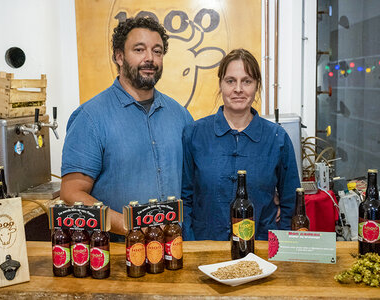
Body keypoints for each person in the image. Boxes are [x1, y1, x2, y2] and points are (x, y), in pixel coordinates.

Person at [61, 17, 193, 237]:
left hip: (173, 249)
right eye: (139, 50)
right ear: (119, 56)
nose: (150, 58)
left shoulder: (180, 115)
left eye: (157, 51)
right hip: (116, 255)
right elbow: (72, 192)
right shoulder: (90, 117)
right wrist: (128, 226)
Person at [181, 49, 300, 241]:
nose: (238, 89)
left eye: (247, 81)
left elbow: (291, 203)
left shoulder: (277, 138)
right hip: (206, 247)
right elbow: (184, 198)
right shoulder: (194, 134)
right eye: (230, 81)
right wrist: (191, 243)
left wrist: (282, 245)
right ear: (220, 84)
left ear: (256, 86)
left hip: (261, 248)